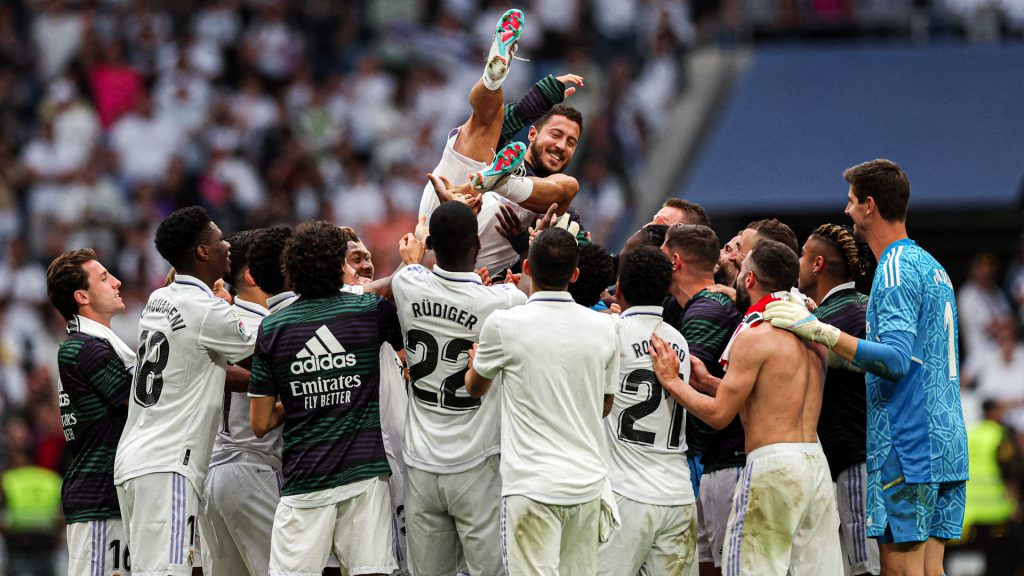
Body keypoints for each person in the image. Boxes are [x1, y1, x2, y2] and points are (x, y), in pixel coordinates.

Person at [765, 159, 969, 576]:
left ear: (869, 206)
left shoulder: (893, 268)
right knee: (931, 570)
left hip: (909, 444)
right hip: (947, 439)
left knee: (901, 570)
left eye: (851, 200)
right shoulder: (932, 266)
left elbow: (895, 359)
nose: (847, 210)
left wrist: (819, 331)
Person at [651, 240, 843, 576]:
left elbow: (718, 415)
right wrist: (708, 381)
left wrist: (672, 381)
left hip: (773, 465)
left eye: (741, 272)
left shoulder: (755, 335)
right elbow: (774, 395)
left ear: (750, 279)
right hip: (814, 463)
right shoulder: (811, 334)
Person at [249, 220, 403, 576]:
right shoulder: (369, 311)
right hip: (364, 473)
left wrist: (304, 396)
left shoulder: (272, 327)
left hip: (305, 479)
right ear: (339, 265)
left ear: (292, 270)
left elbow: (260, 422)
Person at [465, 227, 619, 575]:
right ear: (575, 274)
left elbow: (475, 389)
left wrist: (475, 366)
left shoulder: (503, 324)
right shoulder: (606, 328)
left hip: (530, 486)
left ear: (527, 268)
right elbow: (605, 406)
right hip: (586, 484)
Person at [114, 206, 255, 575]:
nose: (228, 245)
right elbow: (267, 354)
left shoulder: (159, 299)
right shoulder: (206, 310)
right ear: (203, 252)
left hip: (136, 459)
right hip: (168, 464)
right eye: (220, 239)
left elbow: (207, 368)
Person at [391, 202, 526, 576]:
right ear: (477, 244)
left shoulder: (407, 284)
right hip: (476, 464)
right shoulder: (505, 301)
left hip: (420, 462)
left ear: (432, 244)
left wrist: (416, 254)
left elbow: (411, 268)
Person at [418, 9, 586, 274]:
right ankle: (493, 77)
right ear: (532, 134)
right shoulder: (501, 145)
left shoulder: (564, 210)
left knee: (568, 187)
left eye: (571, 142)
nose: (561, 146)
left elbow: (582, 265)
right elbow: (505, 116)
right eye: (556, 134)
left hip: (471, 240)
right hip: (449, 199)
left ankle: (500, 181)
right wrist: (541, 98)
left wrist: (524, 243)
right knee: (490, 121)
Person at [597, 246, 696, 576]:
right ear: (667, 289)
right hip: (678, 495)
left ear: (619, 288)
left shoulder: (610, 332)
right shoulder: (679, 342)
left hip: (626, 494)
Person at [47, 249, 135, 576]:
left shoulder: (96, 345)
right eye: (104, 278)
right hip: (100, 500)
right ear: (82, 296)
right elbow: (146, 402)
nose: (117, 282)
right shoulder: (82, 348)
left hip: (113, 498)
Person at [660, 224, 742, 576]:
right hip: (712, 463)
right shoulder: (697, 306)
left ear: (675, 262)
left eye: (662, 255)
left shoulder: (707, 310)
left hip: (723, 461)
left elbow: (695, 390)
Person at [797, 224, 878, 576]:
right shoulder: (864, 306)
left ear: (817, 264)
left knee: (865, 567)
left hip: (854, 460)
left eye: (802, 255)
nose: (797, 263)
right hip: (860, 457)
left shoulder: (834, 317)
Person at [200, 229, 281, 576]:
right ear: (253, 275)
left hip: (216, 474)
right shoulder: (258, 326)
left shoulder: (222, 319)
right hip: (252, 470)